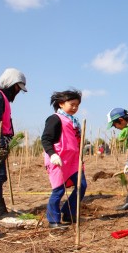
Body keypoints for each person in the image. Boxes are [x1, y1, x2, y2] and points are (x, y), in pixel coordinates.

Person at [41, 90, 87, 228]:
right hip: (58, 159)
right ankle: (53, 220)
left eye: (77, 105)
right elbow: (46, 139)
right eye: (72, 104)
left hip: (73, 160)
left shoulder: (74, 121)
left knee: (81, 185)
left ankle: (68, 212)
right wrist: (52, 154)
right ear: (61, 104)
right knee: (59, 190)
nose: (75, 107)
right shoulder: (55, 119)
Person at [0, 68, 27, 220]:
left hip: (0, 142)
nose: (18, 92)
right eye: (17, 88)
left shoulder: (2, 98)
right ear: (11, 84)